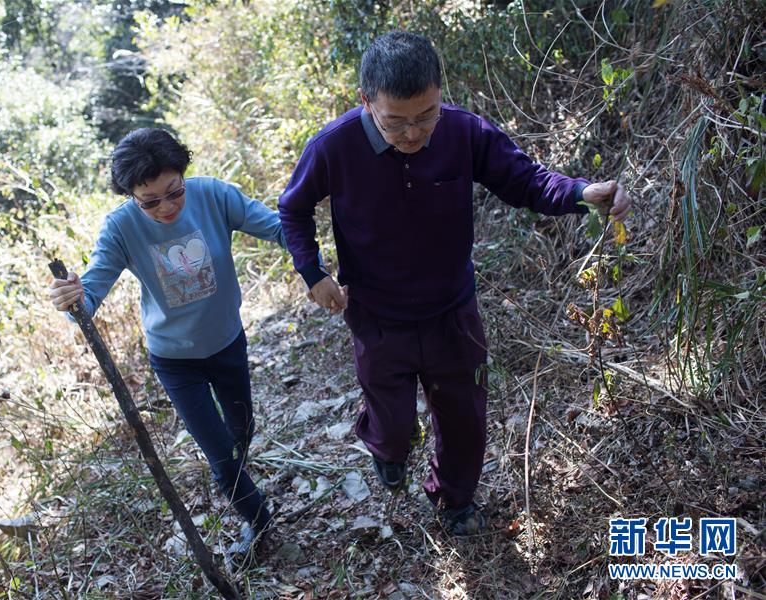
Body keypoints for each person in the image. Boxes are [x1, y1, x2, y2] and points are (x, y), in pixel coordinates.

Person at [278, 31, 631, 535]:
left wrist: (579, 193)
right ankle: (387, 444)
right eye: (395, 122)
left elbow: (524, 180)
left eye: (426, 115)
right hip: (377, 317)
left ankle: (454, 501)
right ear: (366, 102)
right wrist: (313, 273)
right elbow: (292, 208)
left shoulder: (463, 131)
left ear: (440, 94)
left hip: (452, 311)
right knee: (393, 424)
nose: (413, 133)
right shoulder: (334, 147)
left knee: (464, 418)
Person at [49, 128, 283, 566]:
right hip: (175, 360)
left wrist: (314, 266)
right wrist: (72, 300)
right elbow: (89, 294)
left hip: (227, 341)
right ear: (131, 197)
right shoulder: (121, 227)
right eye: (150, 201)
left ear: (183, 175)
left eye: (174, 192)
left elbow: (278, 227)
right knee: (220, 455)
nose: (166, 207)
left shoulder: (213, 196)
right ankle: (257, 519)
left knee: (241, 428)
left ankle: (240, 471)